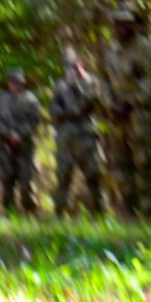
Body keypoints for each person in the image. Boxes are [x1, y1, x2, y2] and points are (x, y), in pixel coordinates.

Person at [100, 4, 151, 218]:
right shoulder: (111, 52)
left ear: (134, 24)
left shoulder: (147, 49)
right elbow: (104, 80)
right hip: (118, 117)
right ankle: (128, 210)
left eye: (125, 22)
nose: (121, 27)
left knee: (145, 162)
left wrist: (133, 102)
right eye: (117, 22)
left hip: (141, 115)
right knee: (120, 164)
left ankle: (150, 210)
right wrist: (111, 104)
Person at [47, 48, 105, 217]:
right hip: (67, 137)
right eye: (66, 66)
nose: (69, 69)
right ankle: (59, 212)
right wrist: (67, 112)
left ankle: (99, 212)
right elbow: (53, 110)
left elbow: (95, 100)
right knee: (63, 176)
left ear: (80, 64)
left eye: (72, 65)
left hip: (87, 135)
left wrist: (81, 83)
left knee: (94, 174)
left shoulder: (91, 82)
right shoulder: (60, 87)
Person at [0, 69, 42, 216]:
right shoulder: (0, 100)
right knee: (7, 180)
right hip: (6, 146)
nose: (16, 86)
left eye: (19, 83)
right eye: (13, 83)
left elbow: (35, 120)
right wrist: (8, 134)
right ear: (8, 83)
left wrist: (20, 134)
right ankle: (9, 212)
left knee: (27, 181)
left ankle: (29, 211)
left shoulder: (31, 100)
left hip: (25, 146)